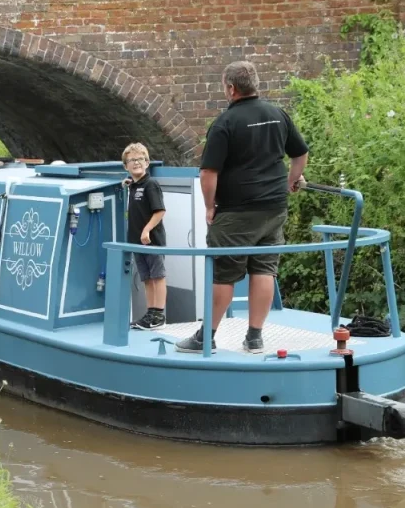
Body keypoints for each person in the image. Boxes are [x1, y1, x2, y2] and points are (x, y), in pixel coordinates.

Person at [177, 61, 309, 353]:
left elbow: (208, 173)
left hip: (237, 211)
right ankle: (254, 337)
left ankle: (205, 337)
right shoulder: (278, 115)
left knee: (224, 273)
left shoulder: (225, 123)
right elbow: (300, 155)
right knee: (264, 269)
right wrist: (290, 182)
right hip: (274, 208)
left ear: (231, 88)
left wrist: (209, 207)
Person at [121, 142, 168, 330]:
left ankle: (159, 315)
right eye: (131, 160)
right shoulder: (133, 185)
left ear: (147, 163)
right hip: (136, 242)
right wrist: (126, 183)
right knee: (147, 278)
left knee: (158, 276)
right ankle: (150, 313)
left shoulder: (151, 184)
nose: (136, 163)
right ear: (126, 166)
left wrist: (147, 230)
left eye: (140, 159)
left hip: (152, 241)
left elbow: (160, 211)